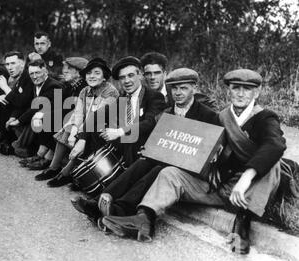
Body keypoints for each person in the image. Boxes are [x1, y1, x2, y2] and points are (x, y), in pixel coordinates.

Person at [101, 69, 286, 255]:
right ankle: (144, 219)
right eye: (235, 88)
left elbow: (275, 144)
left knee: (273, 163)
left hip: (249, 191)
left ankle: (242, 225)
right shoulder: (222, 117)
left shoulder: (265, 117)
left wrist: (246, 177)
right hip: (219, 186)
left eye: (247, 89)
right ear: (228, 91)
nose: (240, 93)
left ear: (257, 92)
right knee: (169, 173)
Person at [71, 68, 219, 226]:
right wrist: (150, 148)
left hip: (188, 170)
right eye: (174, 88)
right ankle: (99, 200)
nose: (178, 92)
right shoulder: (168, 113)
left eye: (184, 88)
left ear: (194, 88)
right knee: (143, 162)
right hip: (167, 158)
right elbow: (160, 137)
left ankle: (119, 209)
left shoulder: (208, 115)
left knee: (158, 169)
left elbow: (209, 151)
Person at [45, 57, 119, 187]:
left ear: (104, 77)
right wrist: (74, 129)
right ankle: (53, 167)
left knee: (87, 135)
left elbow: (98, 116)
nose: (92, 76)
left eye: (97, 73)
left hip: (103, 128)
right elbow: (79, 113)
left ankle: (66, 173)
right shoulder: (85, 91)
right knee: (68, 127)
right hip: (87, 124)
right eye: (89, 73)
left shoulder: (110, 91)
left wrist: (80, 134)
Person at [34, 57, 88, 179]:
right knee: (48, 116)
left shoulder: (83, 87)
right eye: (64, 68)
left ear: (78, 73)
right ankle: (44, 155)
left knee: (55, 120)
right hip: (70, 117)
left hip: (79, 120)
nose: (64, 71)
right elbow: (58, 104)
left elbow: (76, 110)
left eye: (68, 69)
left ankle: (49, 159)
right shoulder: (69, 85)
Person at [3, 58, 64, 161]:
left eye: (37, 73)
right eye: (31, 74)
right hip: (41, 121)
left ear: (45, 71)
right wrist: (13, 117)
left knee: (34, 118)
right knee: (16, 118)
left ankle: (20, 147)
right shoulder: (33, 84)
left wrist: (19, 121)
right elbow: (24, 104)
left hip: (54, 122)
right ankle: (24, 148)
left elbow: (37, 106)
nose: (34, 76)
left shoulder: (54, 86)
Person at [0, 51, 34, 147]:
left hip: (32, 111)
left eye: (13, 63)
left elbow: (22, 103)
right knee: (4, 99)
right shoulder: (13, 76)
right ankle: (3, 135)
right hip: (21, 110)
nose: (10, 67)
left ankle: (9, 141)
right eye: (7, 64)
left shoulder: (29, 76)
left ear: (22, 63)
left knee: (8, 99)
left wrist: (5, 88)